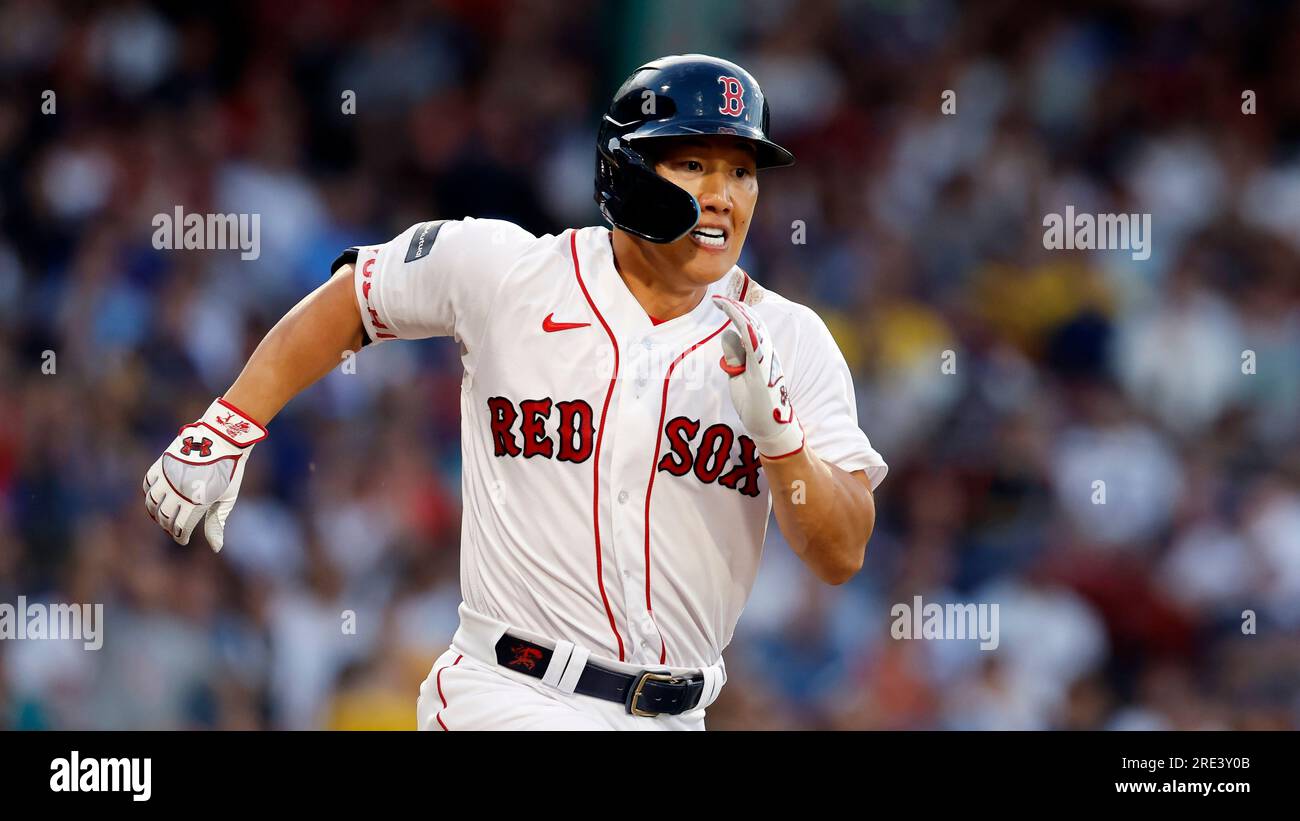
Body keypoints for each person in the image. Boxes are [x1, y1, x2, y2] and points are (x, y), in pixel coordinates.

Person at [142, 54, 887, 730]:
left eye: (743, 171)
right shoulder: (509, 272)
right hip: (513, 694)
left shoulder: (790, 340)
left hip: (676, 714)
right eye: (694, 162)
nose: (724, 196)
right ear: (625, 170)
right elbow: (353, 301)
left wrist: (783, 444)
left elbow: (841, 550)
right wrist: (230, 422)